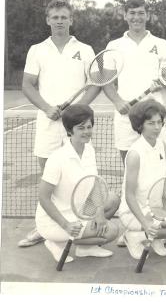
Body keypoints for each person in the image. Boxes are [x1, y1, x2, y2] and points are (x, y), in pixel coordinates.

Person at [20, 0, 100, 247]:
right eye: (55, 17)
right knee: (48, 178)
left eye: (64, 17)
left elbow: (95, 83)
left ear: (71, 19)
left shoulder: (85, 49)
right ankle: (43, 228)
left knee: (80, 177)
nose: (59, 21)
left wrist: (76, 111)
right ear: (47, 20)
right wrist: (46, 108)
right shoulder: (37, 50)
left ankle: (77, 225)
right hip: (48, 124)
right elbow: (26, 84)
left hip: (76, 126)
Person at [36, 104, 120, 263]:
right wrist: (66, 225)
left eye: (89, 127)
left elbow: (94, 183)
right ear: (69, 130)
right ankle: (56, 242)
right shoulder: (57, 159)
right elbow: (43, 198)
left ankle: (85, 248)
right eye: (81, 128)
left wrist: (99, 212)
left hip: (80, 209)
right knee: (112, 231)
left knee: (113, 199)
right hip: (56, 220)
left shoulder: (89, 150)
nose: (87, 131)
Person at [117, 99, 166, 260]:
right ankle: (134, 236)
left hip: (156, 208)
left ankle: (155, 238)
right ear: (140, 125)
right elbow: (129, 195)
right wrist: (145, 223)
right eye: (151, 123)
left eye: (159, 122)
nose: (157, 127)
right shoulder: (135, 154)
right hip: (134, 211)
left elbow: (165, 182)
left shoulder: (161, 146)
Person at [103, 0, 166, 164]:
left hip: (155, 116)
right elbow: (106, 81)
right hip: (125, 116)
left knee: (158, 166)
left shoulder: (161, 44)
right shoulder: (114, 45)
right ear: (125, 15)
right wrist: (118, 102)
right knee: (130, 167)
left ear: (147, 16)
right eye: (132, 13)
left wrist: (162, 83)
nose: (137, 17)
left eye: (141, 13)